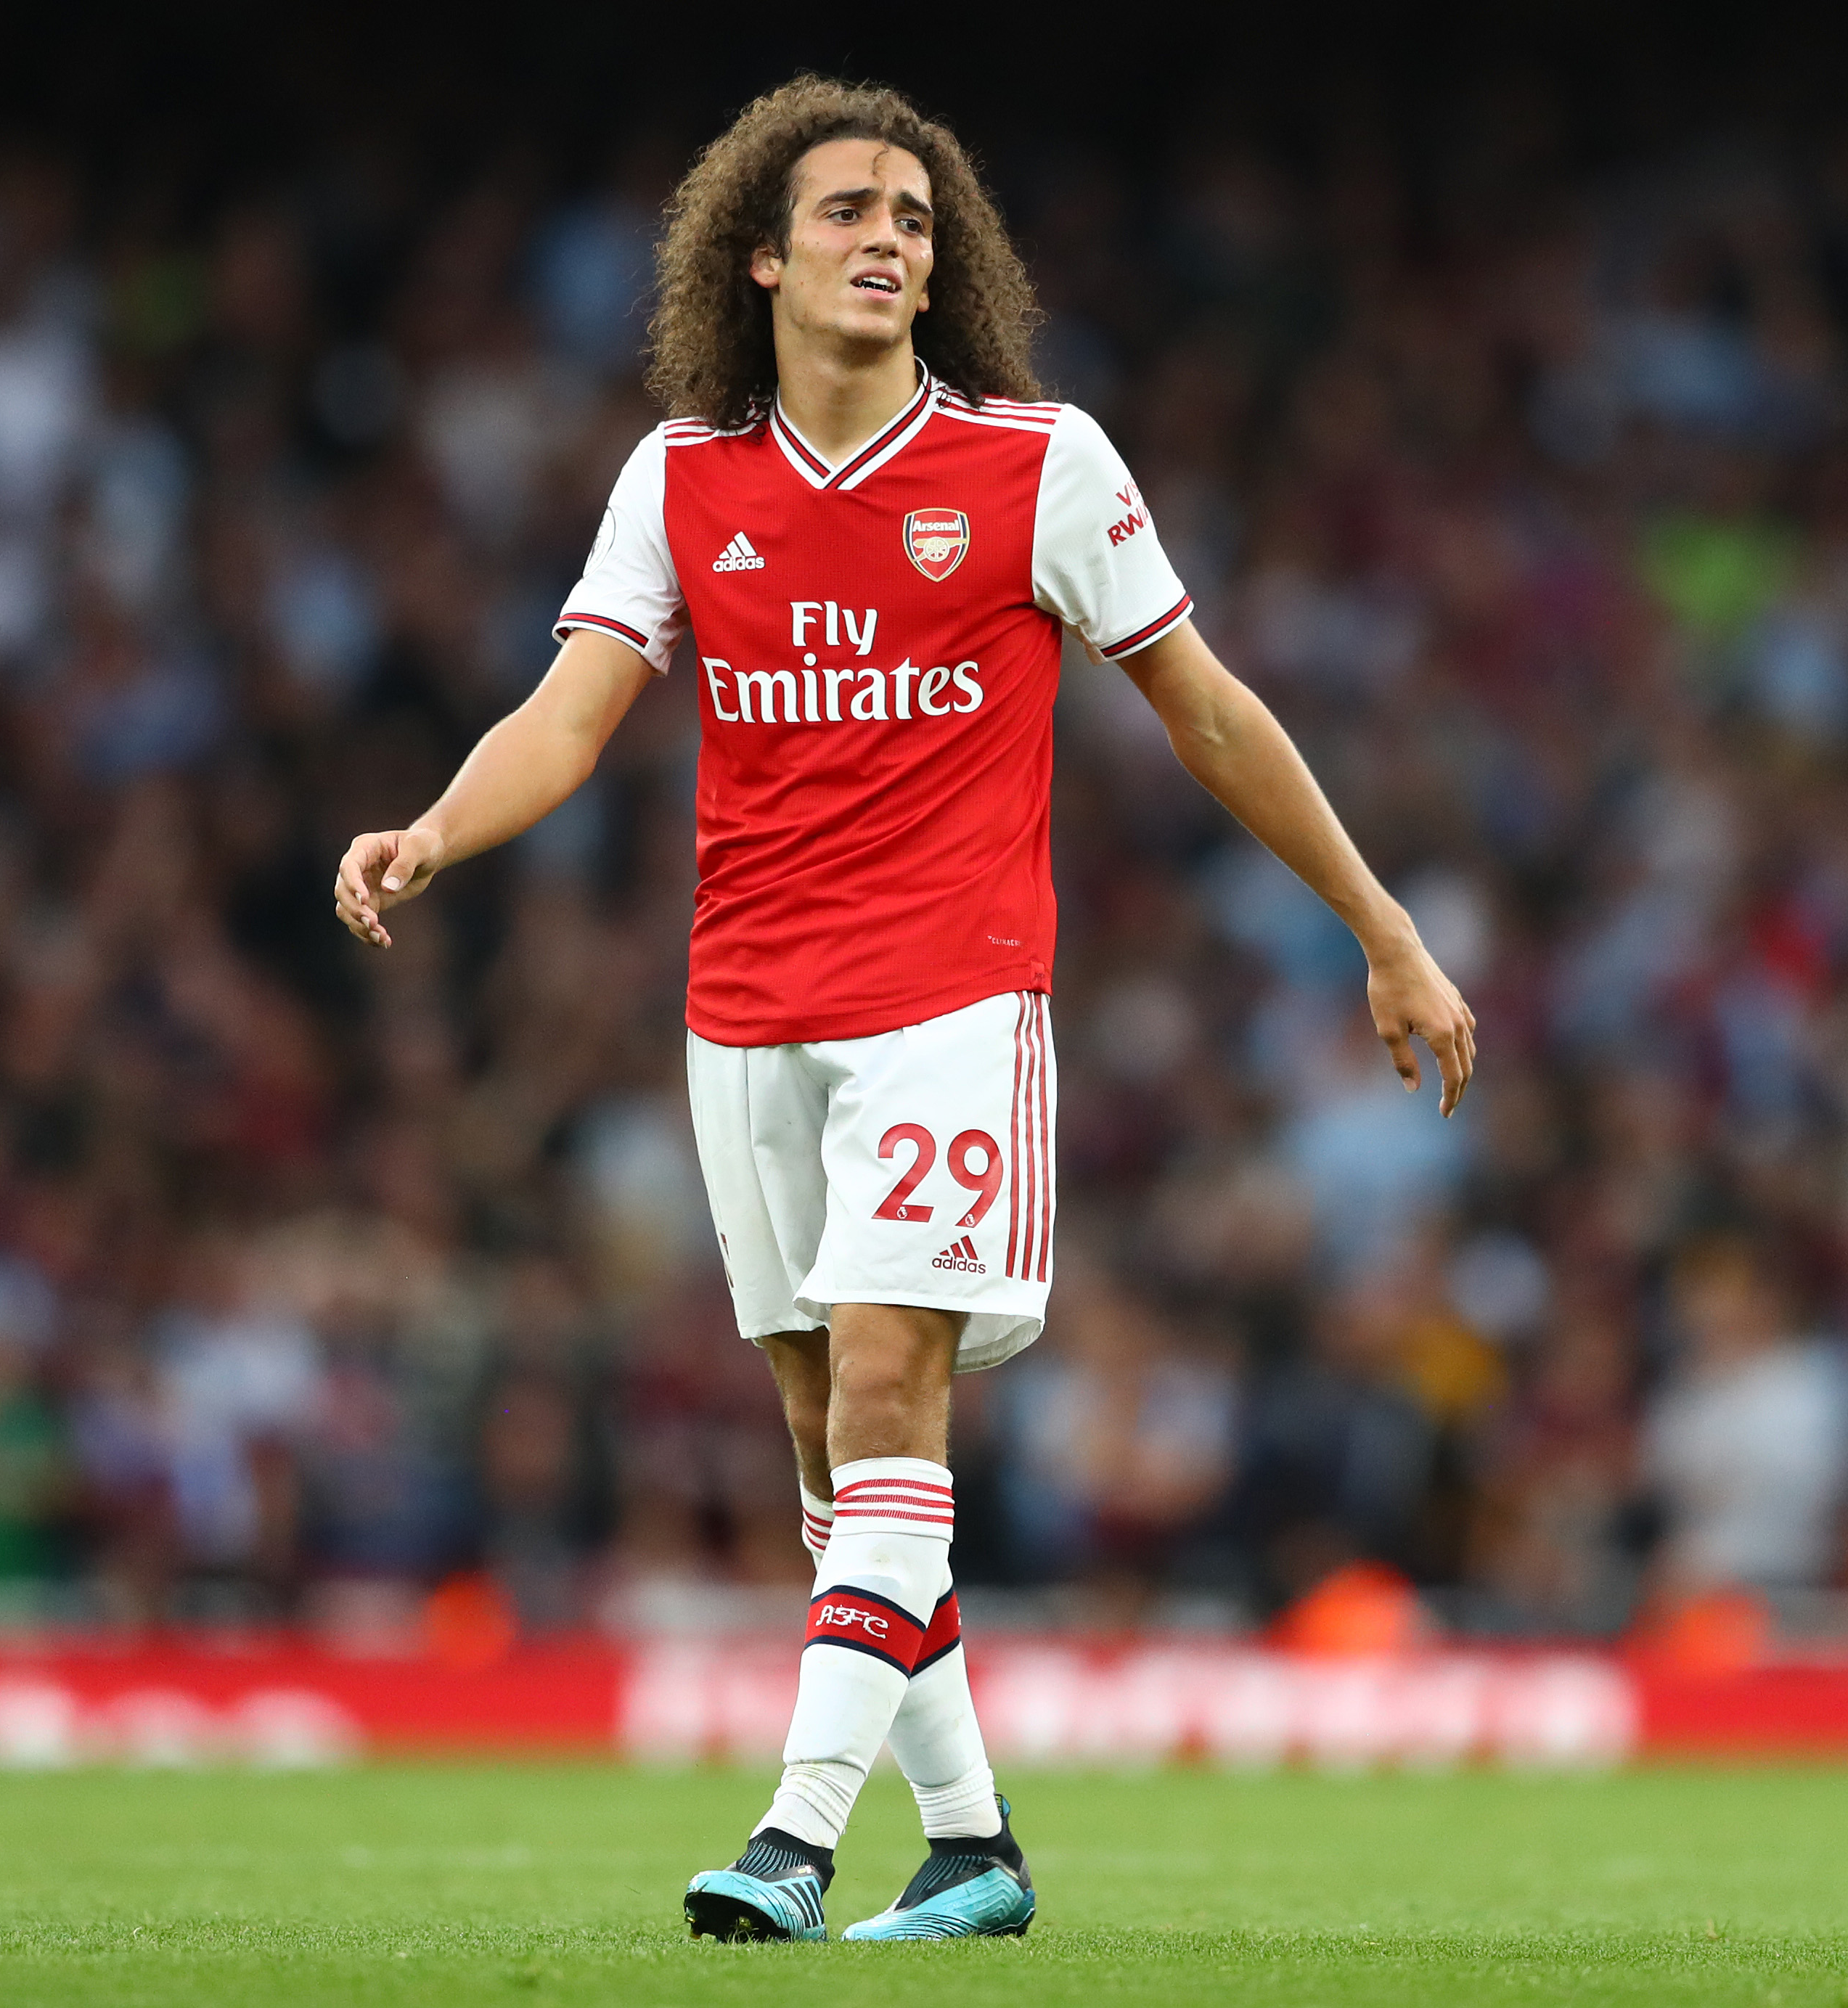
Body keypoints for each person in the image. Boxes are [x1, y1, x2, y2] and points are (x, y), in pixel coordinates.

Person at [334, 76, 1474, 1943]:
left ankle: (793, 1838)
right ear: (759, 256)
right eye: (849, 210)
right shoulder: (679, 478)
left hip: (948, 1000)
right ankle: (971, 1845)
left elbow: (1204, 708)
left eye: (917, 220)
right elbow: (570, 710)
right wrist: (435, 831)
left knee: (885, 1386)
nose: (888, 238)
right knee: (835, 1451)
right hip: (742, 1010)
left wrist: (1381, 925)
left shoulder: (1039, 463)